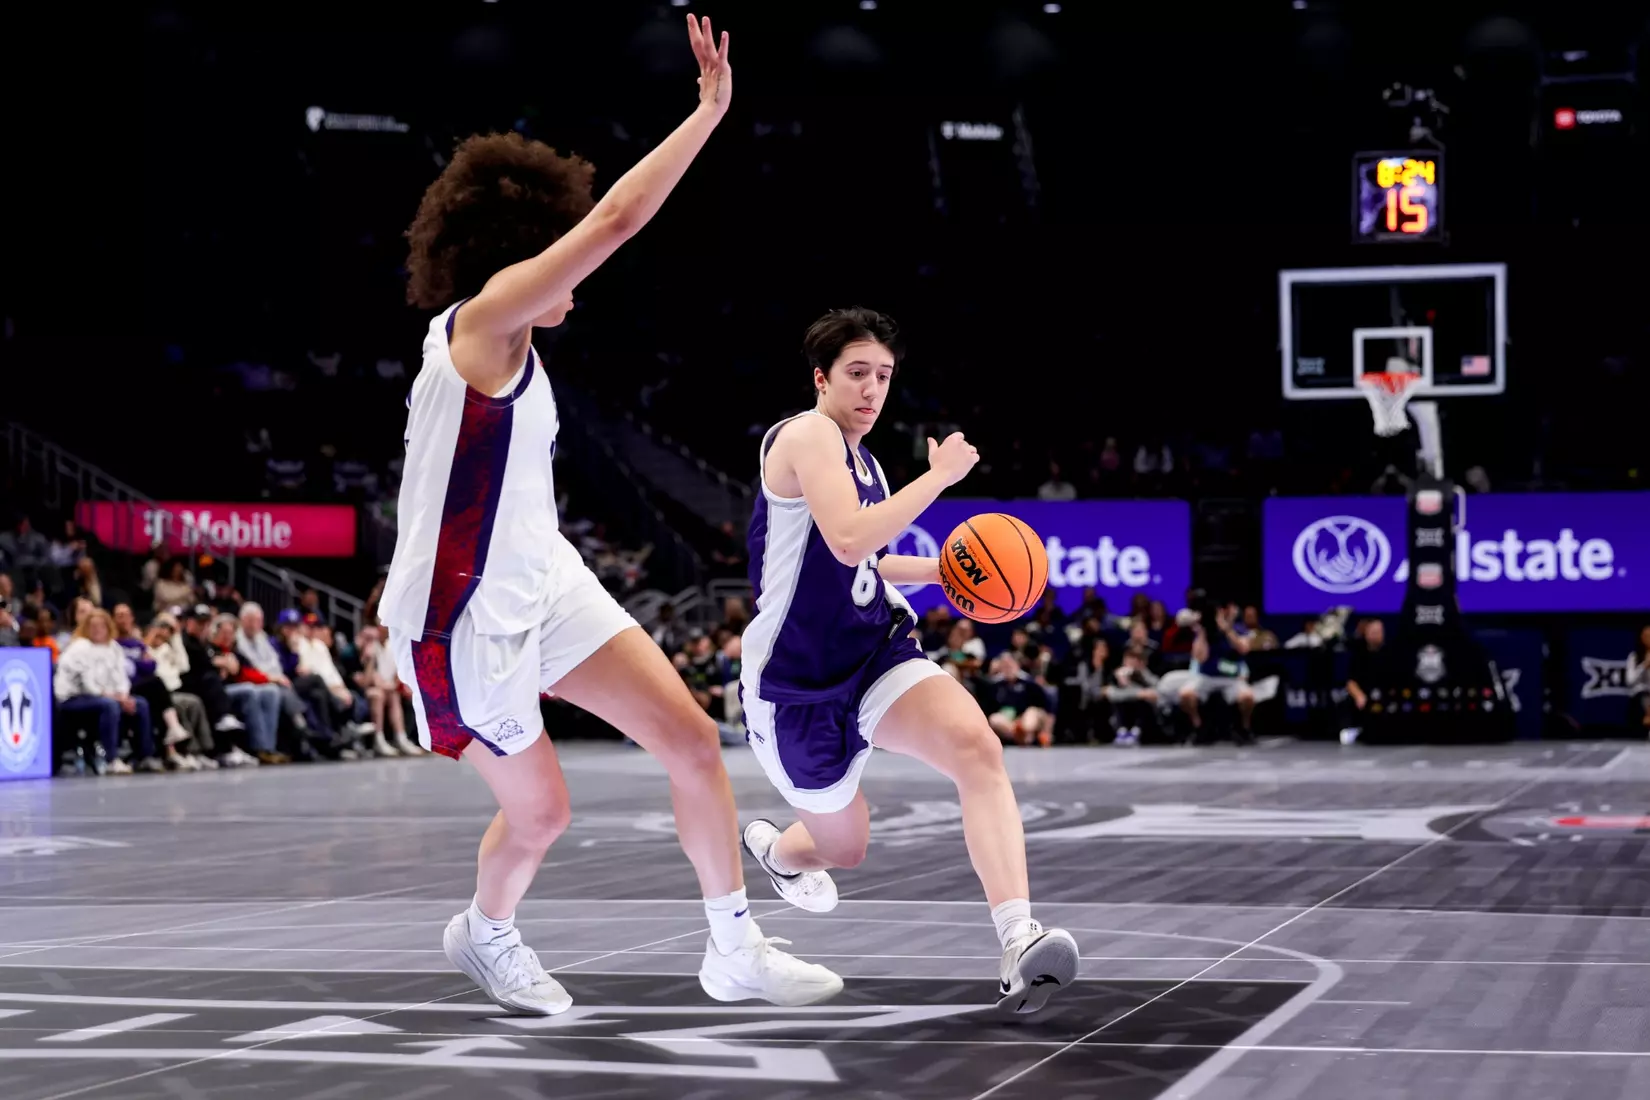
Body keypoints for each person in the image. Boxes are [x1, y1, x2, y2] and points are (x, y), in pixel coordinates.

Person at [374, 14, 838, 1017]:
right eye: (564, 253)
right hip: (461, 621)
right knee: (542, 814)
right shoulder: (482, 327)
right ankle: (487, 932)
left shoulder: (522, 356)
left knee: (692, 741)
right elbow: (620, 219)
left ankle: (735, 951)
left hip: (541, 578)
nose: (578, 280)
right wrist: (707, 114)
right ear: (525, 254)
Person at [736, 306, 1080, 1016]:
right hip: (796, 684)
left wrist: (950, 572)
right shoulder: (805, 435)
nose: (872, 389)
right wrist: (940, 478)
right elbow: (847, 540)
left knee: (977, 748)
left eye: (884, 376)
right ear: (821, 378)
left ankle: (1018, 937)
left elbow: (871, 561)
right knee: (844, 848)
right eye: (857, 373)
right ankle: (780, 854)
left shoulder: (865, 462)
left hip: (875, 651)